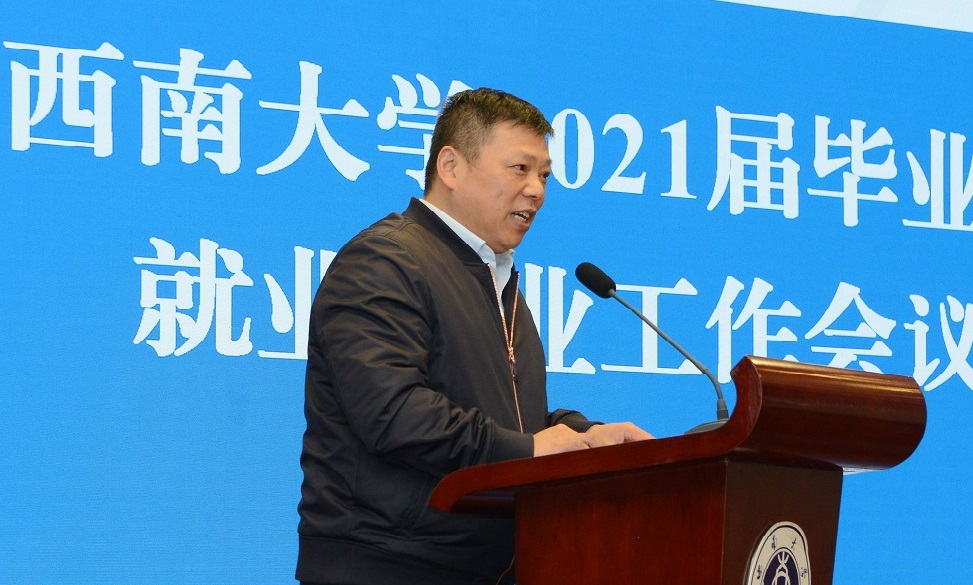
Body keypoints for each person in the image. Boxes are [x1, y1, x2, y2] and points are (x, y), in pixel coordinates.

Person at [296, 87, 652, 585]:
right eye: (520, 168)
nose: (537, 190)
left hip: (490, 568)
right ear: (451, 166)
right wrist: (531, 450)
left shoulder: (496, 279)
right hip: (388, 565)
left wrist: (583, 438)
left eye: (545, 175)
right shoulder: (383, 261)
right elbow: (393, 413)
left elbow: (510, 419)